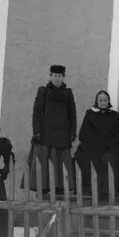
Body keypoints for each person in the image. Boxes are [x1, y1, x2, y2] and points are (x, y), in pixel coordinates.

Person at [29, 64, 77, 198]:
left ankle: (59, 187)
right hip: (45, 133)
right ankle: (43, 188)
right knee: (44, 161)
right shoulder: (43, 91)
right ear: (50, 76)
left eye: (59, 76)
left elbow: (72, 114)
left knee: (60, 161)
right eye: (55, 76)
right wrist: (37, 131)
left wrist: (73, 131)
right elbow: (36, 112)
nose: (57, 78)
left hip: (62, 132)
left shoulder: (68, 93)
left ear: (63, 77)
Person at [75, 90, 119, 200]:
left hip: (110, 147)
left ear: (108, 101)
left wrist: (107, 145)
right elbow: (84, 133)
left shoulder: (114, 115)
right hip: (93, 145)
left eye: (105, 100)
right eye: (100, 100)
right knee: (87, 157)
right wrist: (98, 143)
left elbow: (118, 134)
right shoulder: (90, 113)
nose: (102, 103)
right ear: (97, 101)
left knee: (109, 158)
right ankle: (91, 189)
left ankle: (108, 191)